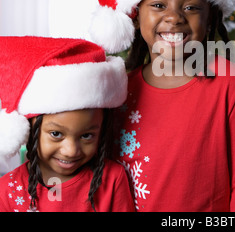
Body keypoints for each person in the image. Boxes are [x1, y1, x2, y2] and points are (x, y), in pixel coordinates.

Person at [88, 0, 235, 212]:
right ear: (135, 16)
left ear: (210, 19)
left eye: (191, 7)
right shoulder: (119, 89)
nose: (174, 17)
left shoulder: (233, 81)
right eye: (158, 5)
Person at [0, 36, 135, 212]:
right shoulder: (7, 190)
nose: (71, 151)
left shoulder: (112, 180)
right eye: (56, 134)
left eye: (86, 135)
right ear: (30, 128)